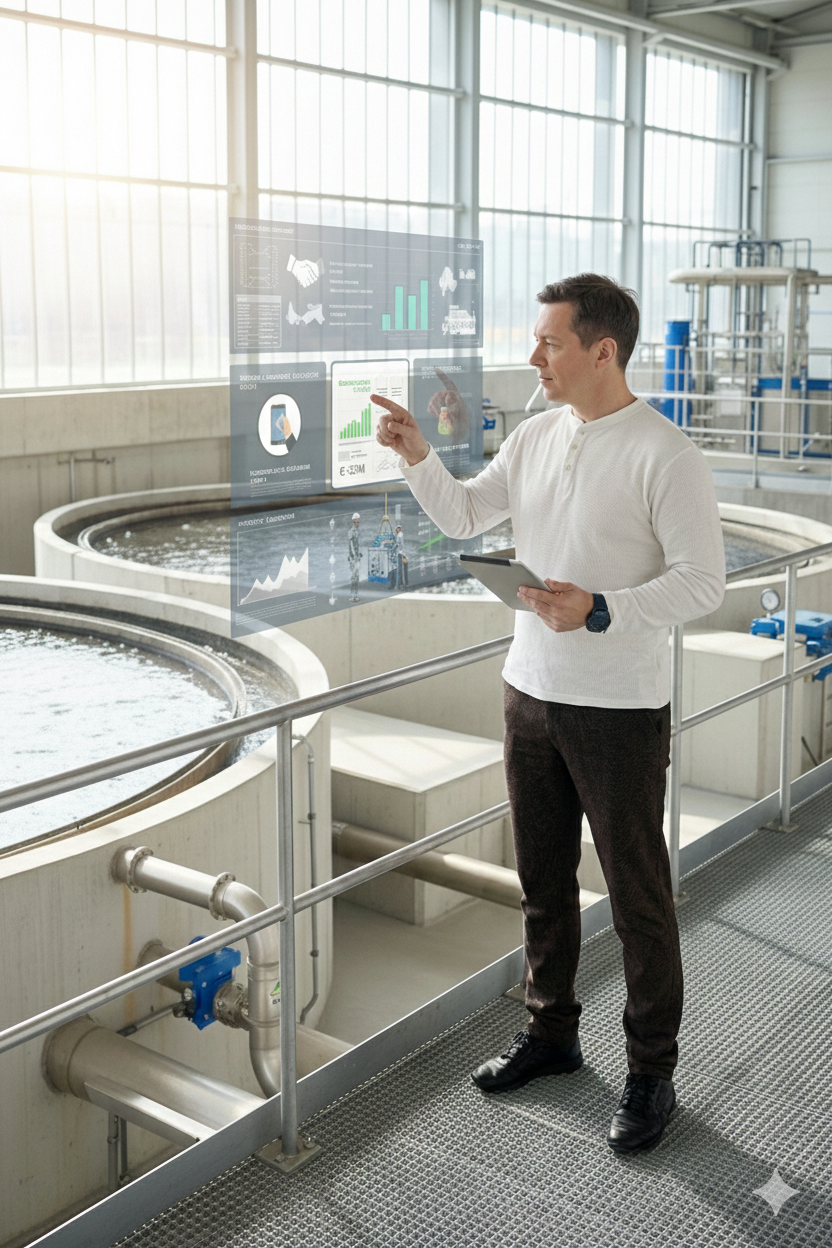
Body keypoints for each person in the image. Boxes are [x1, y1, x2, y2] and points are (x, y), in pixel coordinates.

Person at [372, 273, 725, 1155]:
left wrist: (599, 607)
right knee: (543, 884)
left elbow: (703, 583)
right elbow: (463, 515)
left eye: (551, 342)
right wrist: (418, 455)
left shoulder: (666, 454)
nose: (534, 356)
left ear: (603, 350)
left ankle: (650, 1073)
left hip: (616, 709)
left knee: (639, 896)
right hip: (528, 691)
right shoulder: (533, 435)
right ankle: (552, 1034)